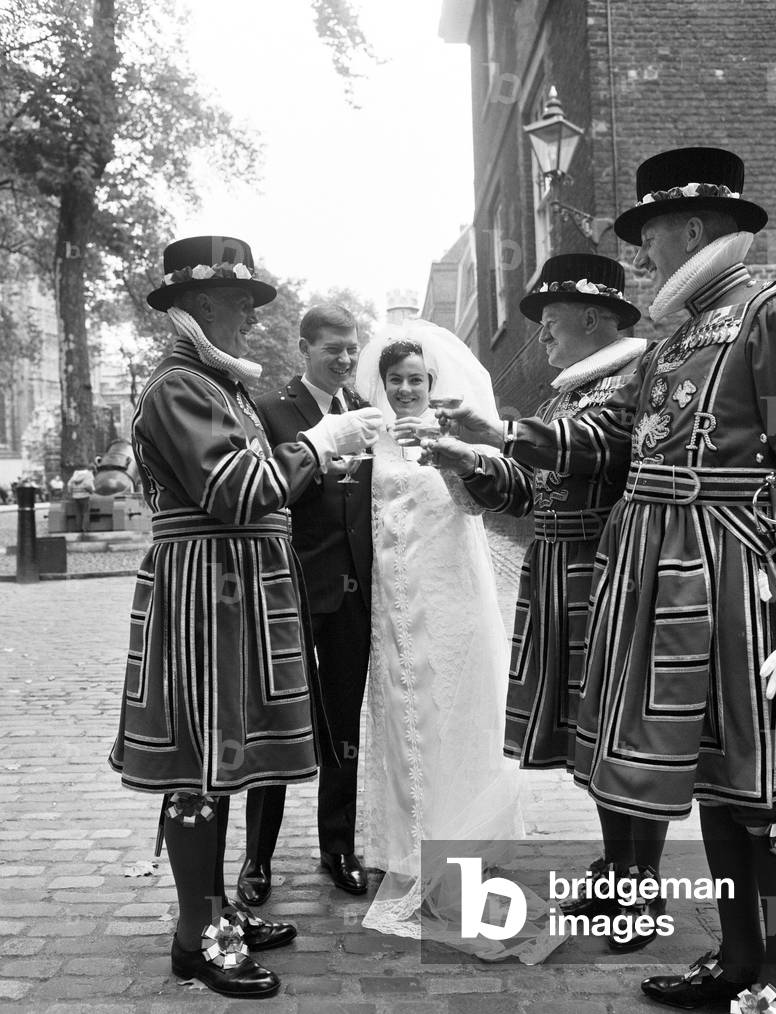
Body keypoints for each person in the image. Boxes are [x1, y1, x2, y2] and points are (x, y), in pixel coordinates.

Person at [444, 148, 776, 1013]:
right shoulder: (679, 329)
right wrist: (506, 437)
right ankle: (735, 957)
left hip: (734, 572)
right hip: (664, 576)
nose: (638, 256)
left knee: (766, 781)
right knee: (718, 781)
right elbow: (611, 441)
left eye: (647, 236)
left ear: (690, 228)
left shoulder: (771, 313)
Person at [107, 235, 382, 999]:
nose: (249, 319)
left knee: (224, 759)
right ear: (194, 307)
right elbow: (236, 489)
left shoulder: (214, 382)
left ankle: (217, 907)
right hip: (205, 592)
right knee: (202, 760)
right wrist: (319, 444)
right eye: (237, 304)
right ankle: (198, 933)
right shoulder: (178, 386)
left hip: (235, 592)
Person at [431, 253, 670, 952]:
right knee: (588, 735)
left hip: (611, 569)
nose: (540, 340)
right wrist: (469, 461)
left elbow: (600, 447)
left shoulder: (636, 378)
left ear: (593, 318)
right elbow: (528, 490)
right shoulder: (562, 395)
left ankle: (639, 882)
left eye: (550, 325)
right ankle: (616, 865)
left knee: (624, 732)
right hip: (559, 568)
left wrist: (499, 433)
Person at [351, 319, 534, 949]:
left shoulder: (453, 436)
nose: (405, 389)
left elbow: (480, 503)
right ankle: (409, 848)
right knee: (406, 717)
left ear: (433, 383)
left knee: (453, 713)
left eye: (415, 380)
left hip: (450, 595)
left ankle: (459, 839)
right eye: (396, 380)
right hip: (392, 604)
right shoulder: (367, 440)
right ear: (383, 384)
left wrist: (456, 458)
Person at [239, 305, 373, 904]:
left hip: (352, 594)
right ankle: (256, 860)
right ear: (303, 348)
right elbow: (267, 492)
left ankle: (337, 847)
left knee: (343, 724)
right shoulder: (270, 412)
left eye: (351, 348)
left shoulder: (365, 413)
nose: (344, 359)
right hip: (290, 591)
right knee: (278, 724)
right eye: (331, 349)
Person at [67, 465, 96, 536]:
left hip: (76, 497)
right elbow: (88, 485)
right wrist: (91, 491)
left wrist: (71, 493)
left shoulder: (75, 475)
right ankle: (85, 528)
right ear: (91, 470)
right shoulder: (88, 474)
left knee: (78, 514)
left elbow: (69, 485)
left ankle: (78, 528)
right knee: (85, 513)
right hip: (85, 497)